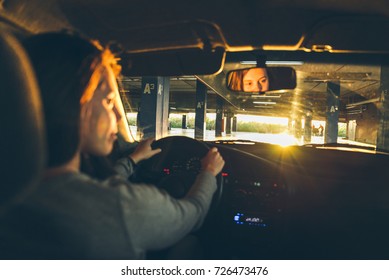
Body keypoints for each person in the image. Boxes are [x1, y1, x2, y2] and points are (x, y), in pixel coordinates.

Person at [1, 32, 224, 260]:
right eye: (109, 101)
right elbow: (193, 215)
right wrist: (208, 172)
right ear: (73, 104)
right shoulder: (119, 208)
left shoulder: (12, 193)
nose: (118, 114)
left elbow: (99, 187)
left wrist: (132, 160)